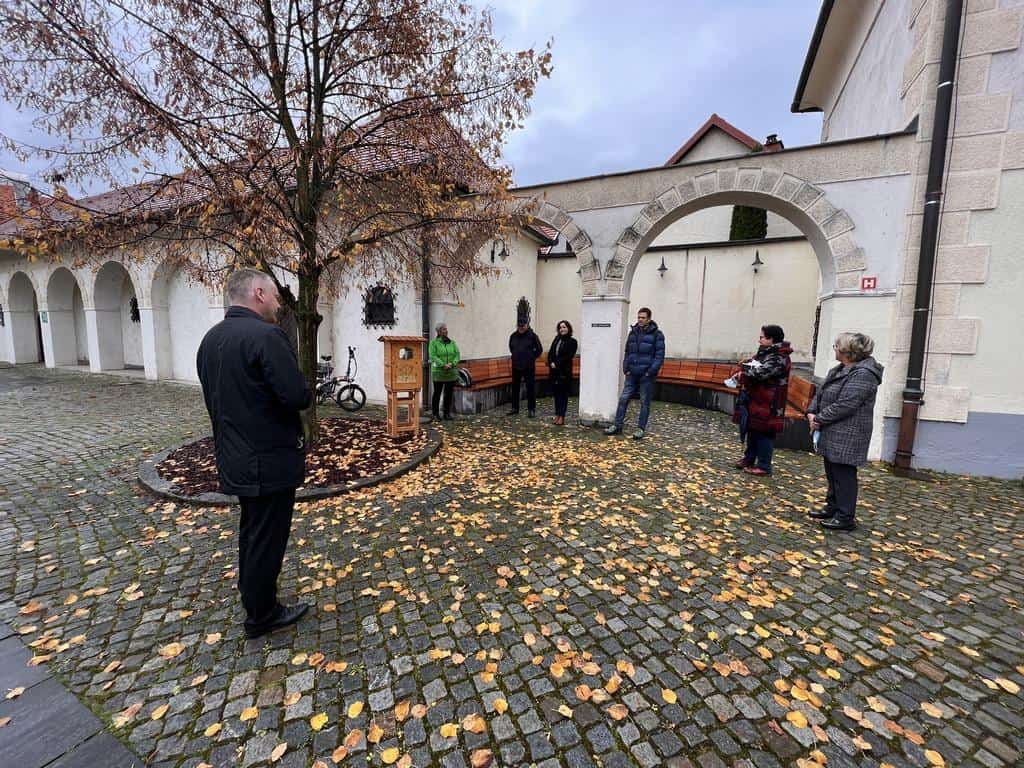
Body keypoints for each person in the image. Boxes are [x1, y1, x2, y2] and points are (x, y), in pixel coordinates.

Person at [196, 268, 312, 639]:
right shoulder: (267, 336)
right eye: (275, 295)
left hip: (234, 458)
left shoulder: (210, 340)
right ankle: (262, 615)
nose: (278, 304)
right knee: (267, 538)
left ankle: (255, 600)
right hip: (269, 460)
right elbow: (297, 395)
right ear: (259, 293)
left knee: (252, 533)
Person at [806, 332, 884, 531]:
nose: (834, 349)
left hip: (849, 432)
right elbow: (822, 392)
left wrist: (819, 419)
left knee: (844, 475)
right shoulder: (840, 369)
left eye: (836, 346)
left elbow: (846, 404)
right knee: (832, 471)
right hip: (832, 430)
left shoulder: (864, 374)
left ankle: (845, 516)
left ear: (847, 351)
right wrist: (812, 412)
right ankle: (832, 507)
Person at [732, 324, 793, 476]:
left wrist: (743, 373)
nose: (759, 340)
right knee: (753, 429)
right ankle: (749, 458)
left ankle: (764, 466)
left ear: (771, 339)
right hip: (757, 399)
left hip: (770, 402)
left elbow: (762, 372)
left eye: (762, 337)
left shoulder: (780, 356)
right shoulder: (765, 353)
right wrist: (744, 367)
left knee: (764, 433)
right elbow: (753, 367)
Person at [605, 307, 665, 439]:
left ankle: (640, 428)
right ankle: (617, 425)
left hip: (646, 375)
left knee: (644, 402)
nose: (640, 320)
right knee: (623, 399)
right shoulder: (633, 333)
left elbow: (659, 356)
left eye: (643, 317)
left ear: (649, 319)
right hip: (632, 374)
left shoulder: (657, 334)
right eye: (639, 317)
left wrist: (650, 371)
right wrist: (625, 368)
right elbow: (628, 352)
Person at [508, 317, 543, 417]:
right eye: (519, 326)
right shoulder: (513, 336)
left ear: (527, 325)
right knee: (515, 388)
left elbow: (539, 350)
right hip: (516, 366)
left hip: (528, 366)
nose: (521, 328)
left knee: (530, 388)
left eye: (523, 326)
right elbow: (511, 348)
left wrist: (531, 357)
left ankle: (531, 409)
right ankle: (515, 408)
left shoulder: (532, 336)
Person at [547, 320, 578, 425]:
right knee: (556, 394)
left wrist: (556, 363)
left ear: (568, 328)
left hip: (564, 372)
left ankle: (562, 416)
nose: (562, 329)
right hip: (554, 371)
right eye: (560, 327)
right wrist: (550, 362)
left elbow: (568, 356)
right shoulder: (556, 339)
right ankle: (557, 415)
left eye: (564, 327)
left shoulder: (572, 342)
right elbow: (551, 352)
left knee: (563, 395)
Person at [429, 321, 460, 420]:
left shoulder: (452, 343)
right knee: (437, 393)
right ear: (438, 331)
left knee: (448, 394)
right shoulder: (433, 343)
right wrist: (443, 365)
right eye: (444, 329)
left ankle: (446, 413)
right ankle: (435, 413)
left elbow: (457, 354)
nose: (446, 331)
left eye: (446, 329)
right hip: (438, 372)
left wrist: (452, 363)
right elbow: (433, 356)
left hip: (451, 372)